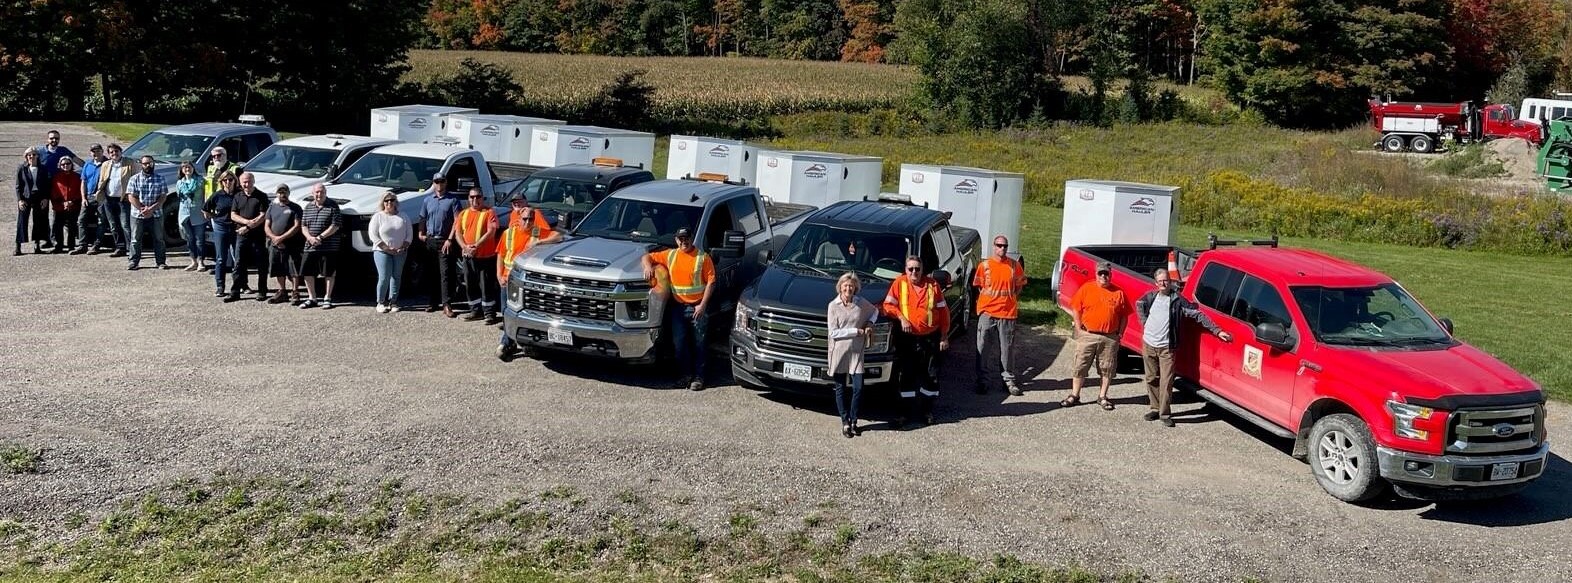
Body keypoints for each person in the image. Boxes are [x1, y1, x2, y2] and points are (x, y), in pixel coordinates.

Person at [1135, 268, 1233, 427]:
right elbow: (1139, 304)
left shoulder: (1177, 300)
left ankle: (1164, 413)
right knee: (1151, 378)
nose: (1163, 283)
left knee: (1166, 381)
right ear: (1156, 283)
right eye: (1160, 281)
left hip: (1167, 347)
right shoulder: (1150, 297)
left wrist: (1217, 330)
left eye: (1166, 280)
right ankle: (1154, 408)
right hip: (1149, 345)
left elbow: (1197, 314)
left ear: (1170, 281)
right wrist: (1145, 322)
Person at [640, 227, 716, 391]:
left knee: (699, 344)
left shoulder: (702, 258)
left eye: (686, 238)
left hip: (697, 308)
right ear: (676, 240)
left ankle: (699, 377)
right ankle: (685, 376)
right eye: (680, 239)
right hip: (677, 308)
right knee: (679, 344)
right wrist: (647, 267)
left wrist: (702, 305)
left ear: (691, 238)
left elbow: (711, 281)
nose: (684, 241)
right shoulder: (671, 254)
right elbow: (647, 256)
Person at [882, 255, 950, 428]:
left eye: (917, 269)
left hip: (931, 337)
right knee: (906, 375)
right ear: (905, 270)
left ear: (922, 270)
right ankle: (904, 413)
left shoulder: (933, 285)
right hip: (907, 338)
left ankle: (927, 411)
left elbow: (943, 312)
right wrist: (901, 318)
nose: (914, 272)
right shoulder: (900, 283)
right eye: (910, 269)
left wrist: (944, 336)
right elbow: (887, 306)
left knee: (931, 375)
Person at [494, 194, 562, 358]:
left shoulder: (537, 234)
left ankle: (509, 343)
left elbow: (558, 236)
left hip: (524, 282)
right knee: (506, 312)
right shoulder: (509, 233)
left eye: (530, 219)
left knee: (521, 312)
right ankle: (508, 342)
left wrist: (539, 242)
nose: (527, 222)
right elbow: (501, 255)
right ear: (519, 217)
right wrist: (498, 275)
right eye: (524, 219)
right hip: (507, 279)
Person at [1065, 262, 1131, 410]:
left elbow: (1125, 315)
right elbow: (1076, 308)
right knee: (1080, 365)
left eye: (1106, 273)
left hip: (1109, 337)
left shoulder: (1118, 293)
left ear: (1110, 275)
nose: (1103, 276)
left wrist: (1120, 333)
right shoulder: (1087, 288)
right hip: (1088, 335)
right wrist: (1078, 327)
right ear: (1096, 274)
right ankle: (1075, 395)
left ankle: (1102, 396)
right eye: (1100, 273)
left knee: (1107, 368)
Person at [971, 235, 1028, 396]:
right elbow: (978, 286)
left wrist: (1010, 299)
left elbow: (1019, 286)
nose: (1002, 248)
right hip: (987, 313)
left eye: (1005, 246)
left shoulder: (1014, 265)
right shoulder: (985, 265)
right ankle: (982, 381)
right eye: (999, 245)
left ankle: (1008, 381)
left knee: (1007, 350)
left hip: (1008, 314)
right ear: (994, 246)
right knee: (982, 349)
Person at [828, 272, 878, 438]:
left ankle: (854, 419)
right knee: (841, 387)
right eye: (845, 285)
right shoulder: (833, 306)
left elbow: (875, 311)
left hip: (857, 352)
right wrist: (856, 331)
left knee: (858, 388)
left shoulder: (860, 303)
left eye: (851, 285)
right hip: (840, 352)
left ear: (855, 287)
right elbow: (833, 333)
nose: (848, 288)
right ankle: (845, 421)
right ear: (840, 287)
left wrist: (870, 323)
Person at [415, 173, 463, 317]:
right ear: (434, 183)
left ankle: (447, 304)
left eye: (442, 181)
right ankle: (432, 301)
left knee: (445, 273)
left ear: (446, 182)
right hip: (430, 239)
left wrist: (449, 239)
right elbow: (423, 217)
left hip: (445, 241)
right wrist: (420, 233)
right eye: (437, 181)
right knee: (431, 272)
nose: (439, 184)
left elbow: (457, 221)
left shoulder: (453, 200)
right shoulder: (427, 200)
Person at [451, 187, 500, 322]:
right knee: (470, 284)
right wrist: (465, 247)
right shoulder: (463, 214)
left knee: (486, 285)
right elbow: (458, 233)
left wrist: (476, 245)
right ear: (468, 199)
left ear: (482, 198)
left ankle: (489, 313)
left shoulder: (489, 212)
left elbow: (491, 232)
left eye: (478, 197)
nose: (475, 200)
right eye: (472, 197)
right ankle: (475, 310)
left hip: (485, 256)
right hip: (468, 256)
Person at [298, 183, 342, 309]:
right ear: (313, 193)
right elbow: (303, 225)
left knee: (328, 273)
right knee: (307, 271)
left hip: (329, 245)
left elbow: (335, 225)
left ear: (325, 192)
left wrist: (320, 237)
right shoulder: (308, 207)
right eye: (317, 192)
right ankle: (312, 298)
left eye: (321, 192)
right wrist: (310, 238)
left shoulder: (333, 206)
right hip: (310, 245)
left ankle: (327, 298)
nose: (319, 194)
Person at [227, 172, 270, 301]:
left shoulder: (261, 196)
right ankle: (235, 292)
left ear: (253, 181)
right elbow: (233, 215)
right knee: (239, 263)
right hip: (241, 235)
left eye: (249, 181)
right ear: (240, 183)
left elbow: (263, 215)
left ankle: (262, 291)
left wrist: (249, 227)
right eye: (244, 182)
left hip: (257, 235)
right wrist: (247, 223)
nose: (246, 184)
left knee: (261, 264)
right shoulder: (237, 196)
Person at [368, 191, 413, 313]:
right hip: (382, 251)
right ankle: (380, 302)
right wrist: (386, 248)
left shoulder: (403, 216)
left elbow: (409, 234)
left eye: (391, 200)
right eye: (386, 200)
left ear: (395, 202)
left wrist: (403, 247)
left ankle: (393, 301)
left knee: (396, 276)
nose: (389, 202)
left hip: (400, 252)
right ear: (383, 202)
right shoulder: (378, 216)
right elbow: (373, 235)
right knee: (384, 277)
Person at [124, 155, 169, 270]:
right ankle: (133, 261)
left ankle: (161, 262)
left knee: (159, 239)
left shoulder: (160, 178)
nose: (148, 165)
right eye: (145, 163)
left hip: (156, 214)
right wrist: (142, 209)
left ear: (154, 164)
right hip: (137, 214)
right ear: (141, 165)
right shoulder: (134, 179)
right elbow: (131, 196)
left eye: (150, 163)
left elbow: (163, 197)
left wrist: (152, 209)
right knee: (135, 239)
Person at [263, 185, 303, 304]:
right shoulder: (272, 208)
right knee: (278, 267)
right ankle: (282, 291)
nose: (282, 195)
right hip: (275, 243)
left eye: (284, 192)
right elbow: (266, 225)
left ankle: (295, 292)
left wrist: (282, 238)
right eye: (280, 193)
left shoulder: (295, 208)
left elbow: (297, 226)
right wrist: (274, 238)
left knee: (294, 268)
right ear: (276, 194)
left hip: (292, 243)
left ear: (289, 193)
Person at [202, 172, 238, 298]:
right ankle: (220, 286)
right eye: (225, 180)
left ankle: (240, 285)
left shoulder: (238, 194)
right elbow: (205, 209)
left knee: (237, 258)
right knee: (221, 258)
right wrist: (215, 218)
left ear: (234, 181)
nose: (228, 182)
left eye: (230, 180)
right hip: (221, 228)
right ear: (221, 182)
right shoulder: (218, 195)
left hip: (236, 228)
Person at [94, 143, 133, 256]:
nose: (114, 154)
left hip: (123, 199)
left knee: (125, 224)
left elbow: (134, 178)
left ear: (121, 152)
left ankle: (131, 249)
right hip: (108, 199)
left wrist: (130, 194)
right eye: (111, 152)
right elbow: (102, 180)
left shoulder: (129, 163)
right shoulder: (106, 164)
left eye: (116, 151)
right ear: (109, 154)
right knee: (113, 225)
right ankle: (119, 247)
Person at [174, 162, 208, 271]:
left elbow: (205, 196)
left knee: (199, 239)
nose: (187, 169)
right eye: (184, 167)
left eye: (189, 167)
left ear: (193, 168)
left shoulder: (201, 180)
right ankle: (193, 261)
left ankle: (201, 262)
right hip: (184, 214)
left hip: (198, 213)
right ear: (181, 170)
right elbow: (180, 198)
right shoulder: (179, 183)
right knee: (190, 239)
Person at [70, 144, 103, 255]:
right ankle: (82, 245)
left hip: (101, 197)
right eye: (93, 151)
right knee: (81, 220)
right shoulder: (88, 164)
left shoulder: (107, 164)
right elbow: (83, 181)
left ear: (102, 151)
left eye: (98, 151)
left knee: (101, 221)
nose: (95, 153)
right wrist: (83, 197)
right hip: (88, 197)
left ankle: (97, 245)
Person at [14, 149, 48, 255]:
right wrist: (20, 200)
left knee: (38, 221)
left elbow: (47, 185)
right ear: (26, 157)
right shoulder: (22, 168)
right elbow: (18, 186)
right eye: (29, 155)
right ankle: (18, 246)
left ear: (38, 156)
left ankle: (37, 244)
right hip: (26, 197)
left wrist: (45, 198)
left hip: (39, 197)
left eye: (34, 155)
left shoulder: (43, 168)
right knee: (22, 221)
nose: (31, 157)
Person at [49, 157, 83, 253]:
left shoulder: (77, 177)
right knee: (57, 226)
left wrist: (72, 201)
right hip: (59, 206)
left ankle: (71, 246)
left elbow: (80, 191)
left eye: (68, 164)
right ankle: (58, 245)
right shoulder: (56, 177)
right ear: (60, 165)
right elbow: (54, 191)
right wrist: (62, 202)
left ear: (71, 165)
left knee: (72, 226)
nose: (65, 166)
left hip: (74, 205)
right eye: (63, 164)